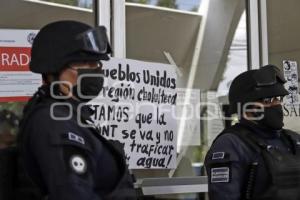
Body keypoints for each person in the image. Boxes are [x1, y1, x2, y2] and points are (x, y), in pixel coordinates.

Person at [17, 20, 136, 200]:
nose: (93, 71)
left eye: (95, 64)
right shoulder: (53, 121)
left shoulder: (71, 115)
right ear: (52, 70)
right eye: (83, 63)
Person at [204, 65, 300, 200]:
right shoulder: (231, 144)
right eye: (268, 100)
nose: (277, 104)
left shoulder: (294, 140)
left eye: (278, 98)